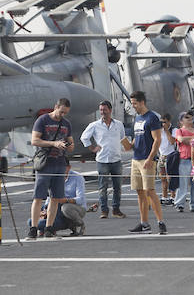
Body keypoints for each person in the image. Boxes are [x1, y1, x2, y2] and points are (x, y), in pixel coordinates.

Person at [27, 99, 75, 240]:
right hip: (45, 163)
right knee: (38, 197)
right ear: (56, 107)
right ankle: (33, 229)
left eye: (65, 113)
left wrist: (69, 146)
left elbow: (71, 143)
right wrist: (54, 143)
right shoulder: (42, 120)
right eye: (61, 112)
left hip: (60, 163)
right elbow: (35, 140)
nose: (62, 115)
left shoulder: (66, 124)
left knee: (55, 198)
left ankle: (49, 228)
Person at [121, 91, 167, 234]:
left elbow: (157, 139)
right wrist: (125, 141)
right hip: (136, 158)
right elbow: (136, 139)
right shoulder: (137, 118)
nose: (133, 106)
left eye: (134, 103)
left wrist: (150, 158)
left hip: (147, 159)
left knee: (150, 191)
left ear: (142, 102)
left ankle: (161, 222)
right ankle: (144, 223)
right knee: (140, 192)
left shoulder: (152, 117)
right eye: (132, 103)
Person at [81, 101, 127, 219]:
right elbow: (84, 137)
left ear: (110, 110)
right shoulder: (95, 125)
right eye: (101, 110)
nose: (102, 112)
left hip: (116, 159)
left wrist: (126, 147)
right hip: (102, 159)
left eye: (104, 110)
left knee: (118, 187)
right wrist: (92, 148)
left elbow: (122, 137)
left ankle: (116, 209)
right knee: (103, 186)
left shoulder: (118, 124)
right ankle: (104, 210)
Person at [30, 157, 87, 236]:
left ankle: (76, 223)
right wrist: (44, 210)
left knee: (65, 208)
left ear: (69, 167)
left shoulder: (78, 177)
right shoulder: (54, 176)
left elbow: (80, 199)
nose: (59, 170)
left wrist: (65, 200)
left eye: (61, 167)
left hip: (72, 208)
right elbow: (49, 197)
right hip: (56, 209)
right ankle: (47, 227)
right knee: (32, 220)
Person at [173, 112, 194, 212]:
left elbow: (185, 140)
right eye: (186, 117)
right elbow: (180, 139)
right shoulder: (179, 131)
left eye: (191, 117)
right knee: (182, 182)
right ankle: (179, 203)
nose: (190, 119)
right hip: (184, 159)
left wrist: (187, 139)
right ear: (181, 121)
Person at [157, 114, 177, 206]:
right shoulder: (159, 131)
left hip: (171, 156)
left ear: (169, 121)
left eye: (164, 122)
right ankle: (164, 197)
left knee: (171, 178)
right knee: (163, 178)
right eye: (161, 122)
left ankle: (173, 196)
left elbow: (172, 141)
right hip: (162, 156)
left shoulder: (174, 130)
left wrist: (166, 130)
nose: (163, 124)